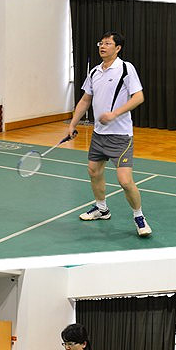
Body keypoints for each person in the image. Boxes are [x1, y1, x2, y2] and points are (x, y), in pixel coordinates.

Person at [68, 31, 152, 236]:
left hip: (120, 136)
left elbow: (138, 97)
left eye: (107, 43)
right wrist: (72, 124)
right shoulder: (94, 72)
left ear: (118, 48)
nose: (102, 46)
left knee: (125, 181)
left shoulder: (125, 68)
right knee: (94, 171)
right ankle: (102, 209)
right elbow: (85, 100)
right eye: (101, 43)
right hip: (99, 134)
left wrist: (114, 114)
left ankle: (139, 216)